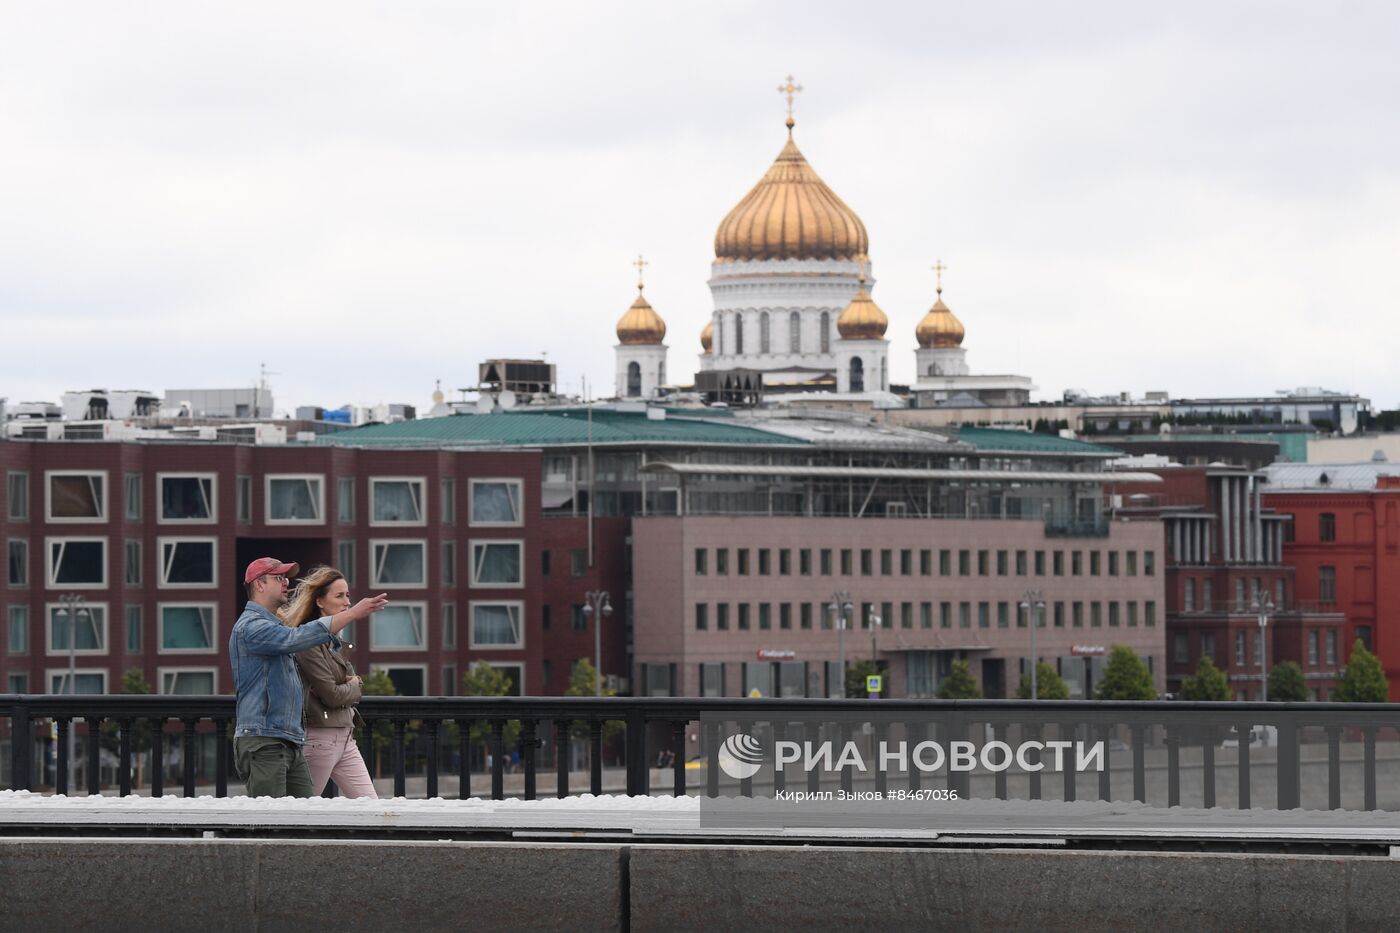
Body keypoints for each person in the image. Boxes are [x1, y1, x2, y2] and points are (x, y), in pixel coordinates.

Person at [230, 556, 387, 797]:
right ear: (258, 584)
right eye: (278, 577)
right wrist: (353, 613)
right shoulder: (252, 627)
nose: (286, 583)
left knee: (305, 816)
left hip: (290, 739)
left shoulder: (276, 627)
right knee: (271, 825)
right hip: (264, 741)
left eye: (286, 577)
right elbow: (294, 640)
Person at [283, 566, 378, 798]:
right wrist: (354, 685)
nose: (347, 602)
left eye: (347, 595)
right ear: (319, 602)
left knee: (371, 808)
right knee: (301, 811)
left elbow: (345, 688)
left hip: (346, 736)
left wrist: (351, 686)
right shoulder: (307, 641)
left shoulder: (336, 641)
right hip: (319, 739)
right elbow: (333, 695)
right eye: (339, 596)